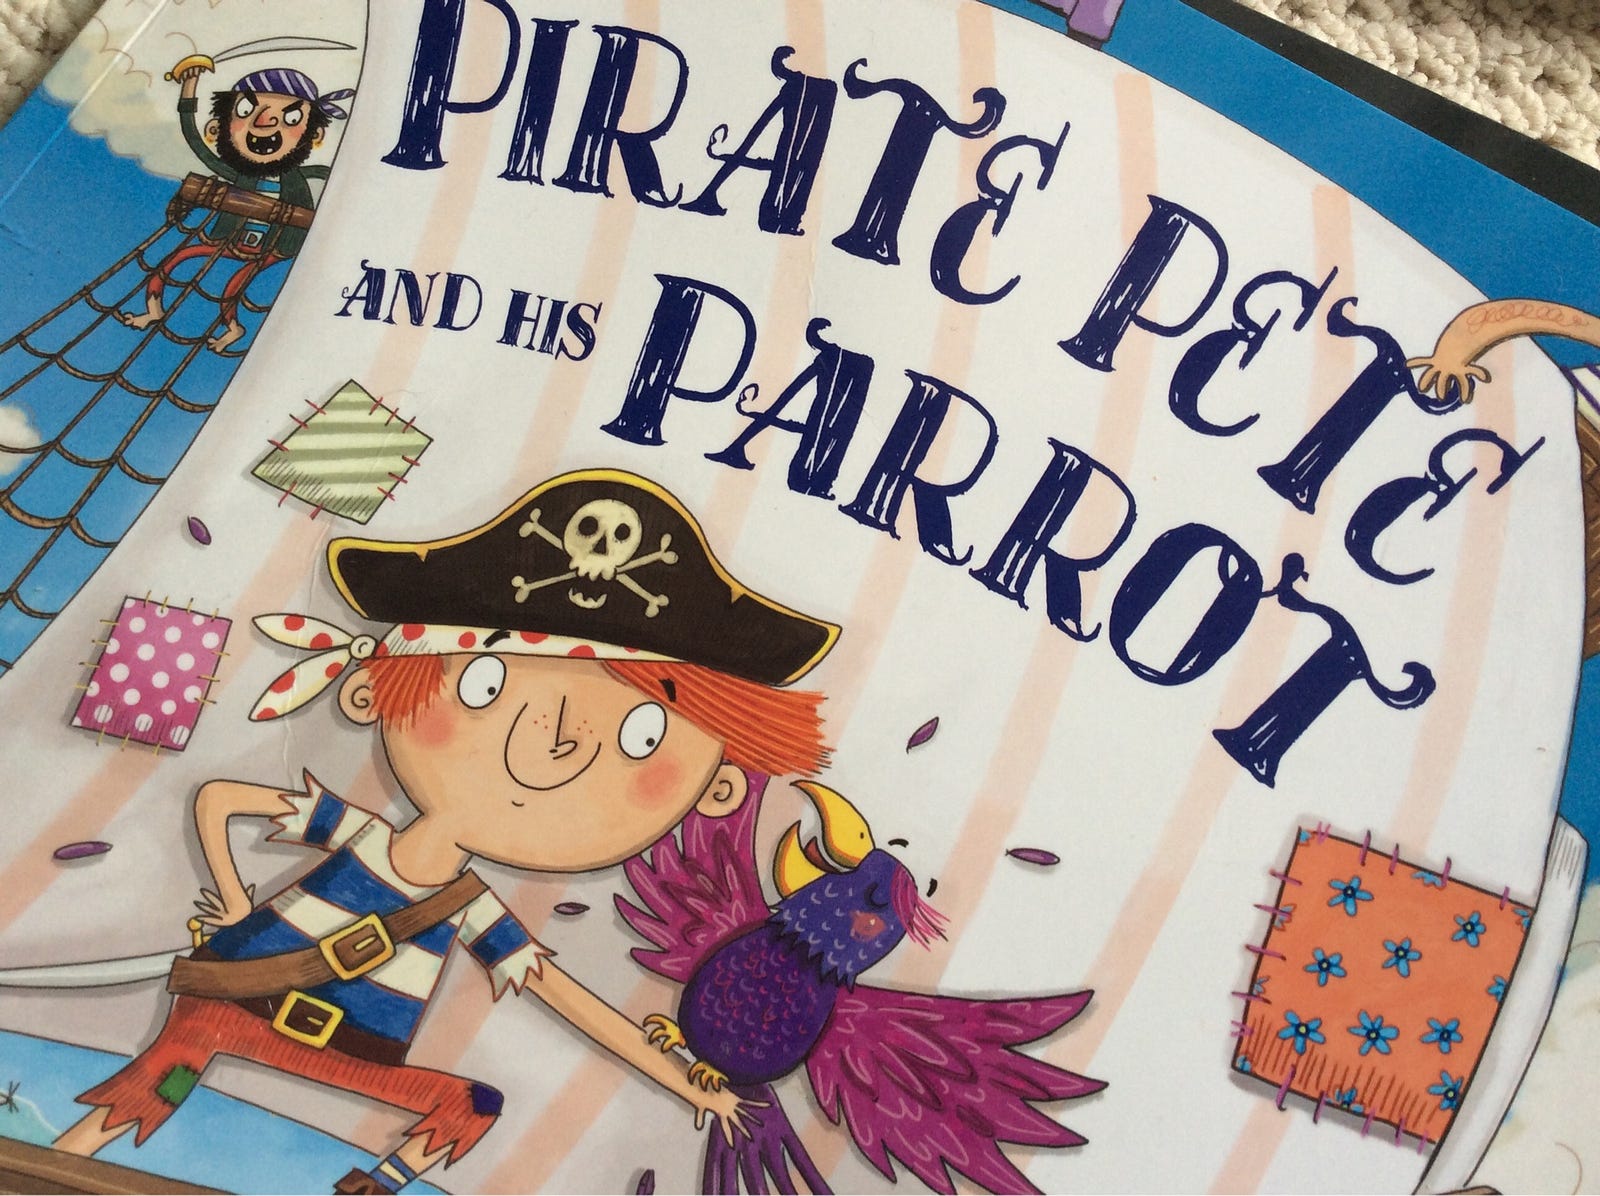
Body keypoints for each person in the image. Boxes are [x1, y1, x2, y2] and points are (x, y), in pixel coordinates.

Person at [51, 468, 839, 1194]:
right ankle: (59, 1163)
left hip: (357, 1051)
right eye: (485, 685)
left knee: (471, 1103)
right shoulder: (355, 834)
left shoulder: (470, 907)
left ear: (716, 788)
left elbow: (571, 1001)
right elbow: (220, 799)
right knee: (158, 1085)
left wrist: (687, 1087)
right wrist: (231, 905)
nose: (553, 743)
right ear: (372, 692)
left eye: (643, 737)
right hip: (235, 1002)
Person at [120, 60, 353, 351]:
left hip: (275, 247)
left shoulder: (301, 179)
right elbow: (197, 144)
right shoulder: (242, 175)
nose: (264, 122)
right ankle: (153, 311)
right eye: (245, 110)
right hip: (230, 239)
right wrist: (189, 88)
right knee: (171, 263)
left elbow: (339, 174)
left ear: (314, 135)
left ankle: (233, 328)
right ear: (219, 127)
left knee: (234, 287)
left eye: (291, 117)